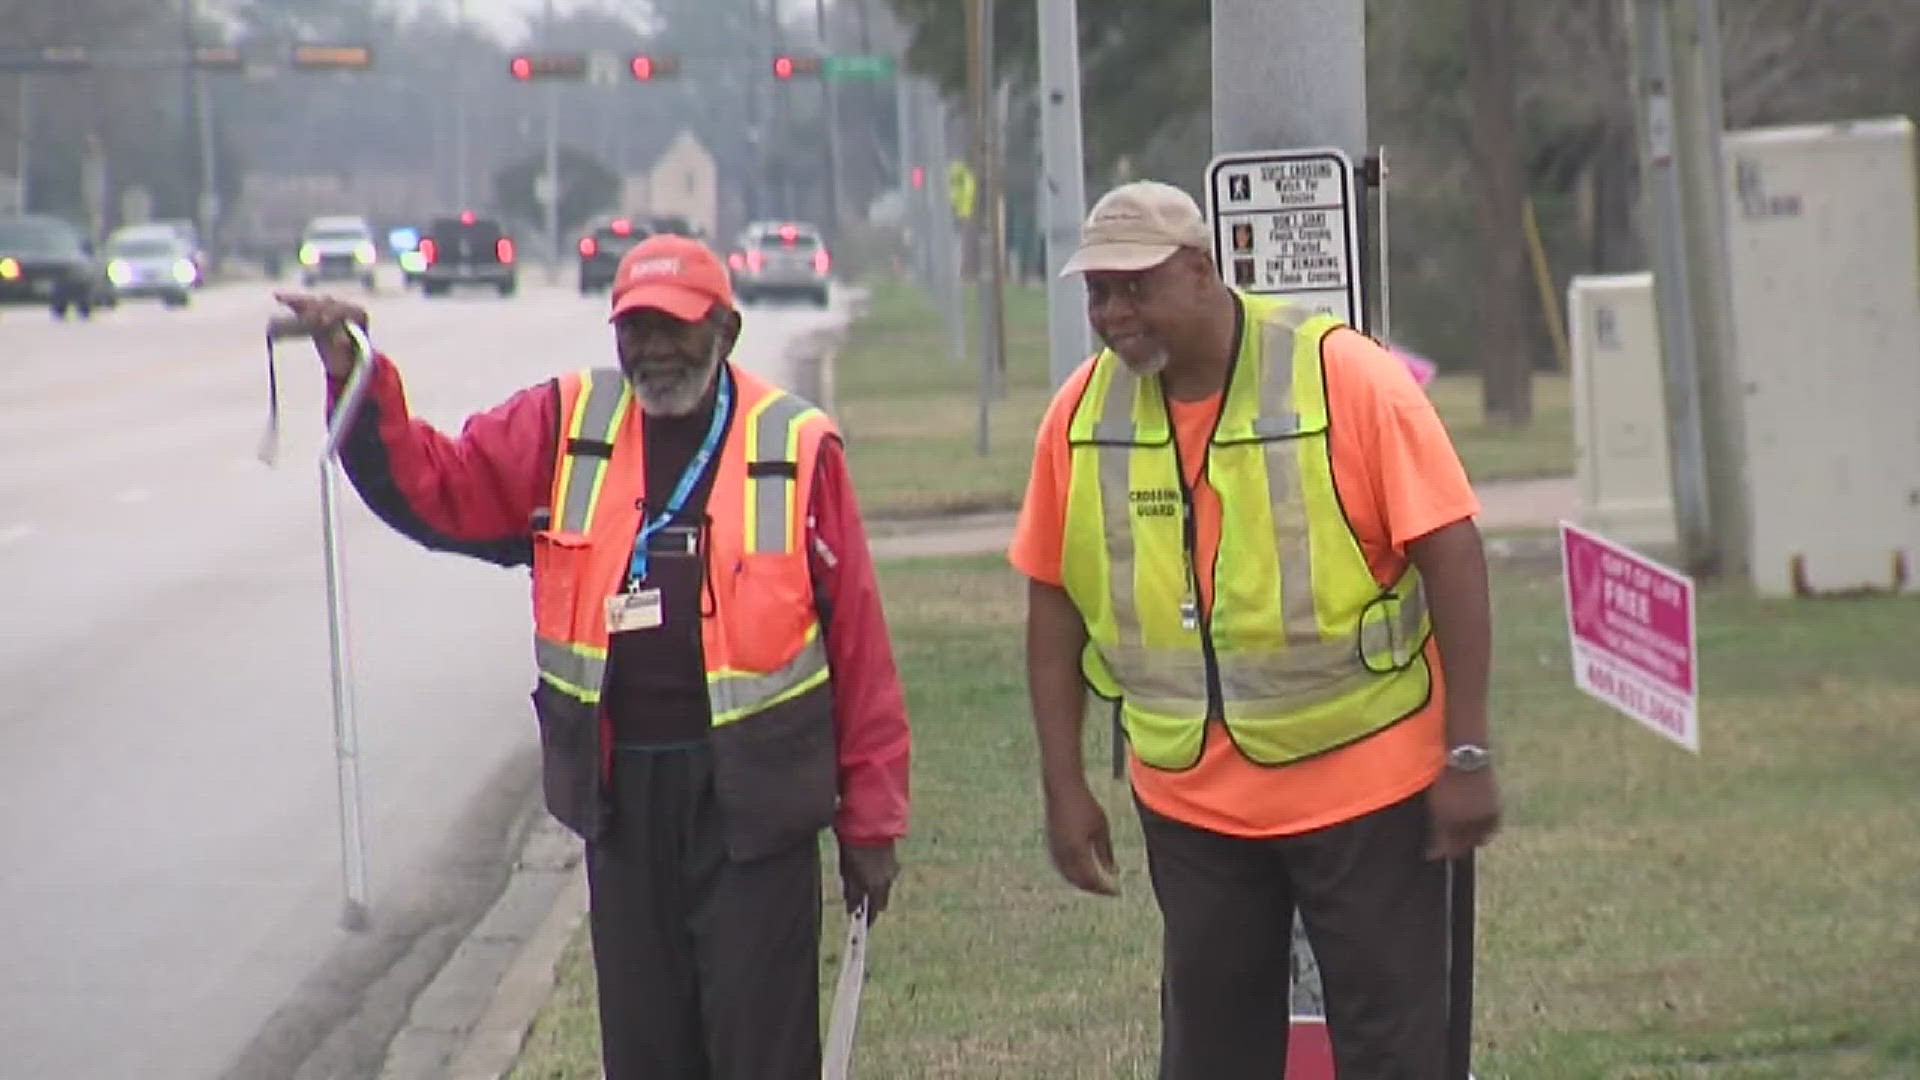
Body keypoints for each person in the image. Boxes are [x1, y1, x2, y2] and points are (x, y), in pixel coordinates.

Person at [275, 233, 910, 1080]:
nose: (651, 347)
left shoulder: (795, 444)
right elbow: (439, 487)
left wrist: (872, 821)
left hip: (755, 808)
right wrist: (356, 376)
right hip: (624, 804)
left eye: (673, 326)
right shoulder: (565, 423)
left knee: (762, 1051)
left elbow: (859, 646)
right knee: (648, 1055)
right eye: (633, 326)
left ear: (726, 327)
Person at [1011, 180, 1500, 1078]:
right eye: (1098, 293)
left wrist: (1466, 751)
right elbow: (1052, 611)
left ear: (1200, 270)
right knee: (1211, 1056)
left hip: (1368, 791)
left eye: (1135, 287)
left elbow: (1453, 553)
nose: (1114, 314)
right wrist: (1064, 785)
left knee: (1395, 1050)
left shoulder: (1342, 377)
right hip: (1192, 804)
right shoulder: (1080, 418)